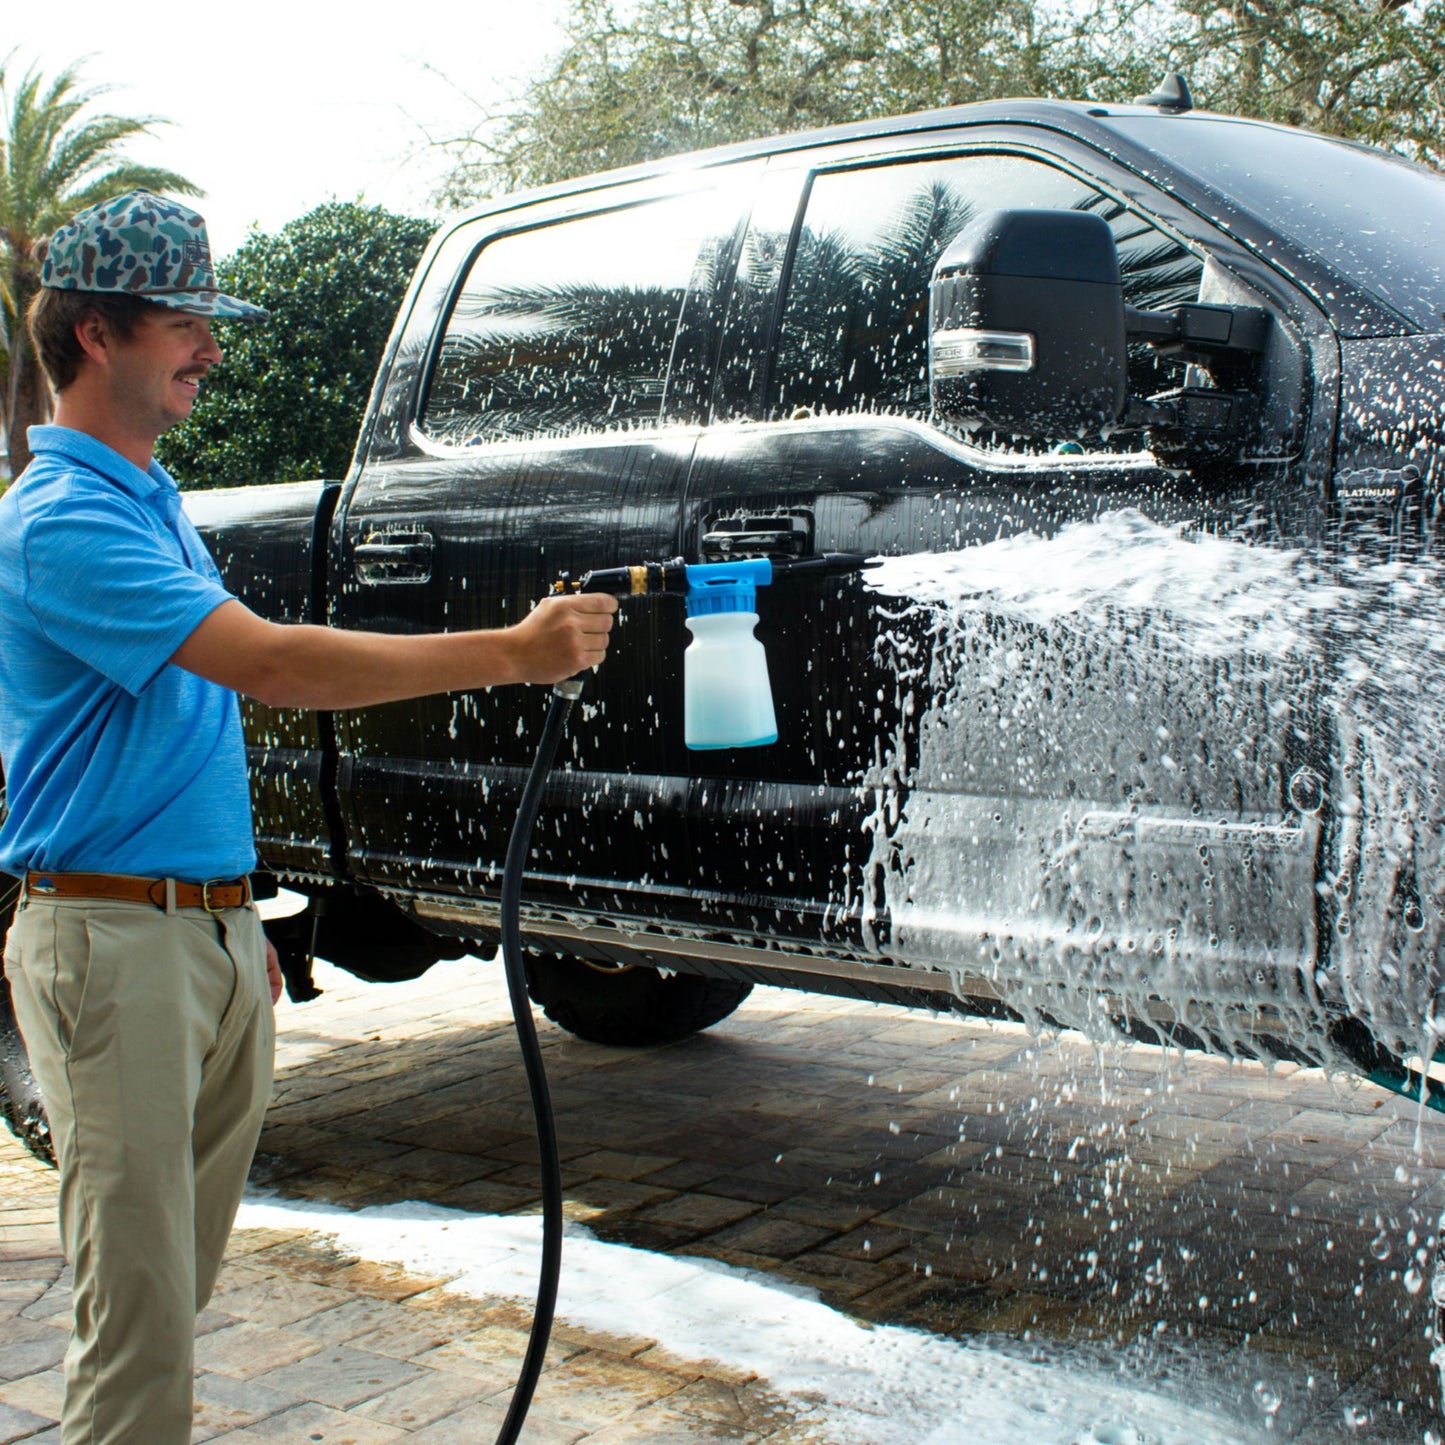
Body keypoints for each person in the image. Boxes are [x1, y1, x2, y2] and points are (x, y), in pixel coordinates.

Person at [0, 190, 617, 1445]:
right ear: (99, 334)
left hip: (198, 943)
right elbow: (272, 666)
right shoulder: (59, 522)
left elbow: (177, 734)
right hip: (116, 953)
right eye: (187, 324)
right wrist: (511, 650)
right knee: (136, 1343)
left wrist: (236, 927)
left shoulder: (149, 499)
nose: (211, 350)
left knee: (169, 1309)